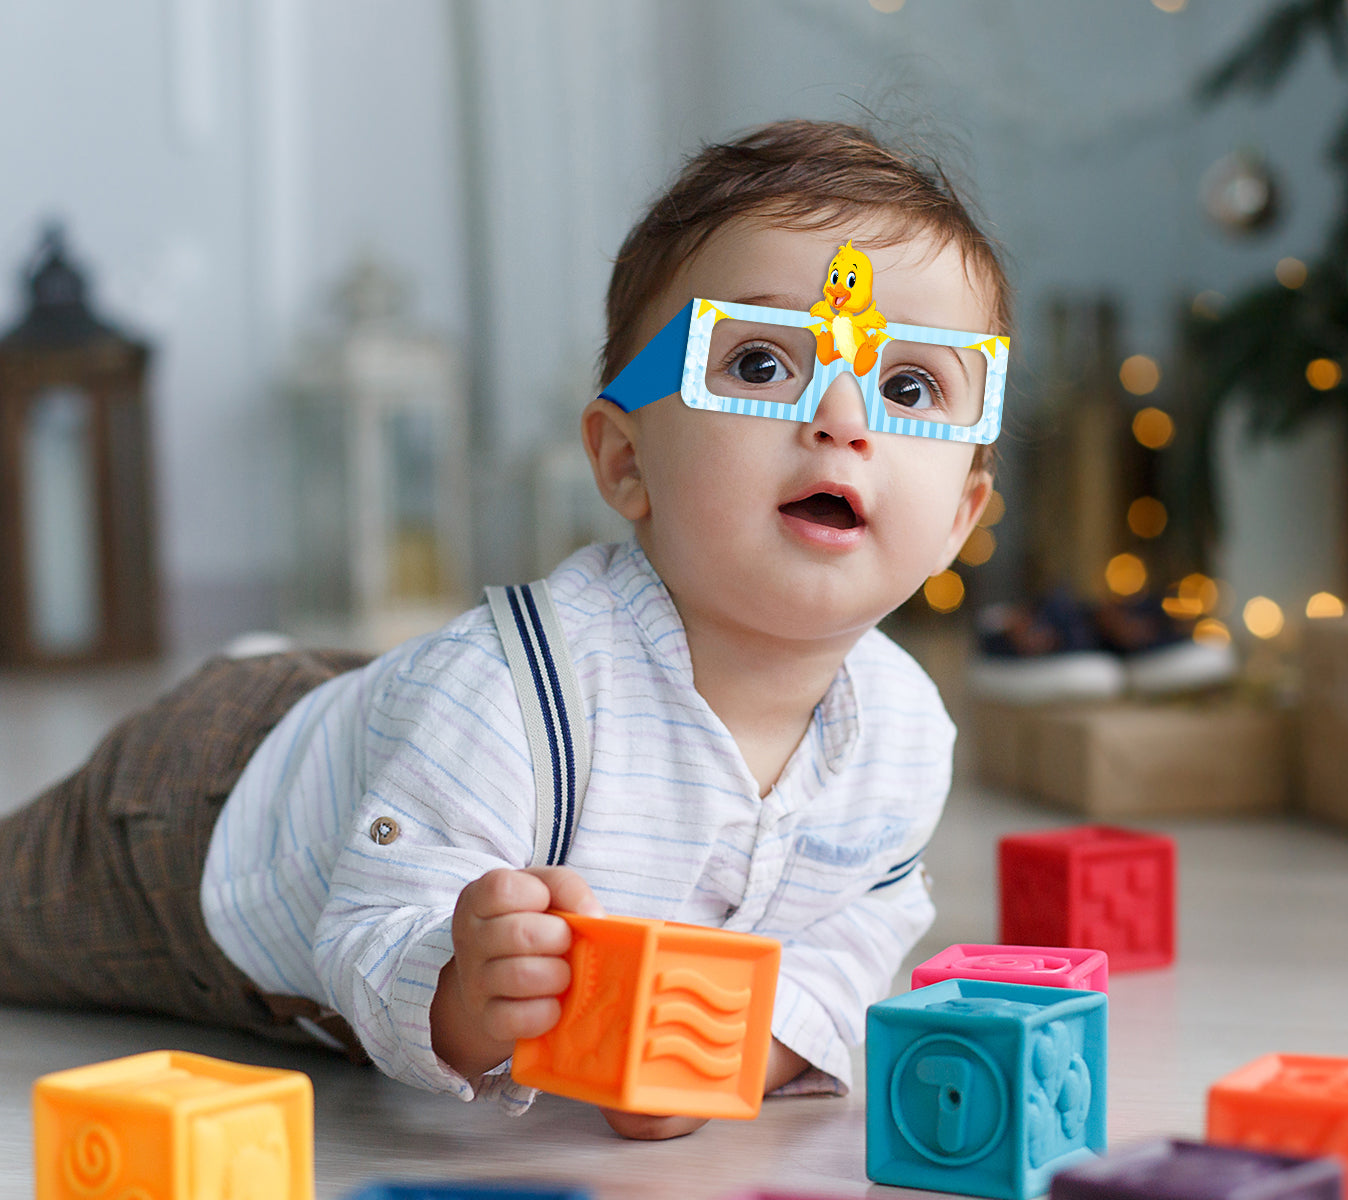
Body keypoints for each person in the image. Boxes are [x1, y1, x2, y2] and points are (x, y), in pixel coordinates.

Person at [0, 119, 1010, 1141]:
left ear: (962, 517)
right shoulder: (515, 697)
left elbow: (855, 927)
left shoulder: (905, 736)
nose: (844, 417)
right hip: (200, 825)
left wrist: (737, 1050)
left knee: (423, 737)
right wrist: (457, 991)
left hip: (406, 739)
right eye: (757, 365)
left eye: (909, 386)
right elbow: (367, 922)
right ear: (625, 462)